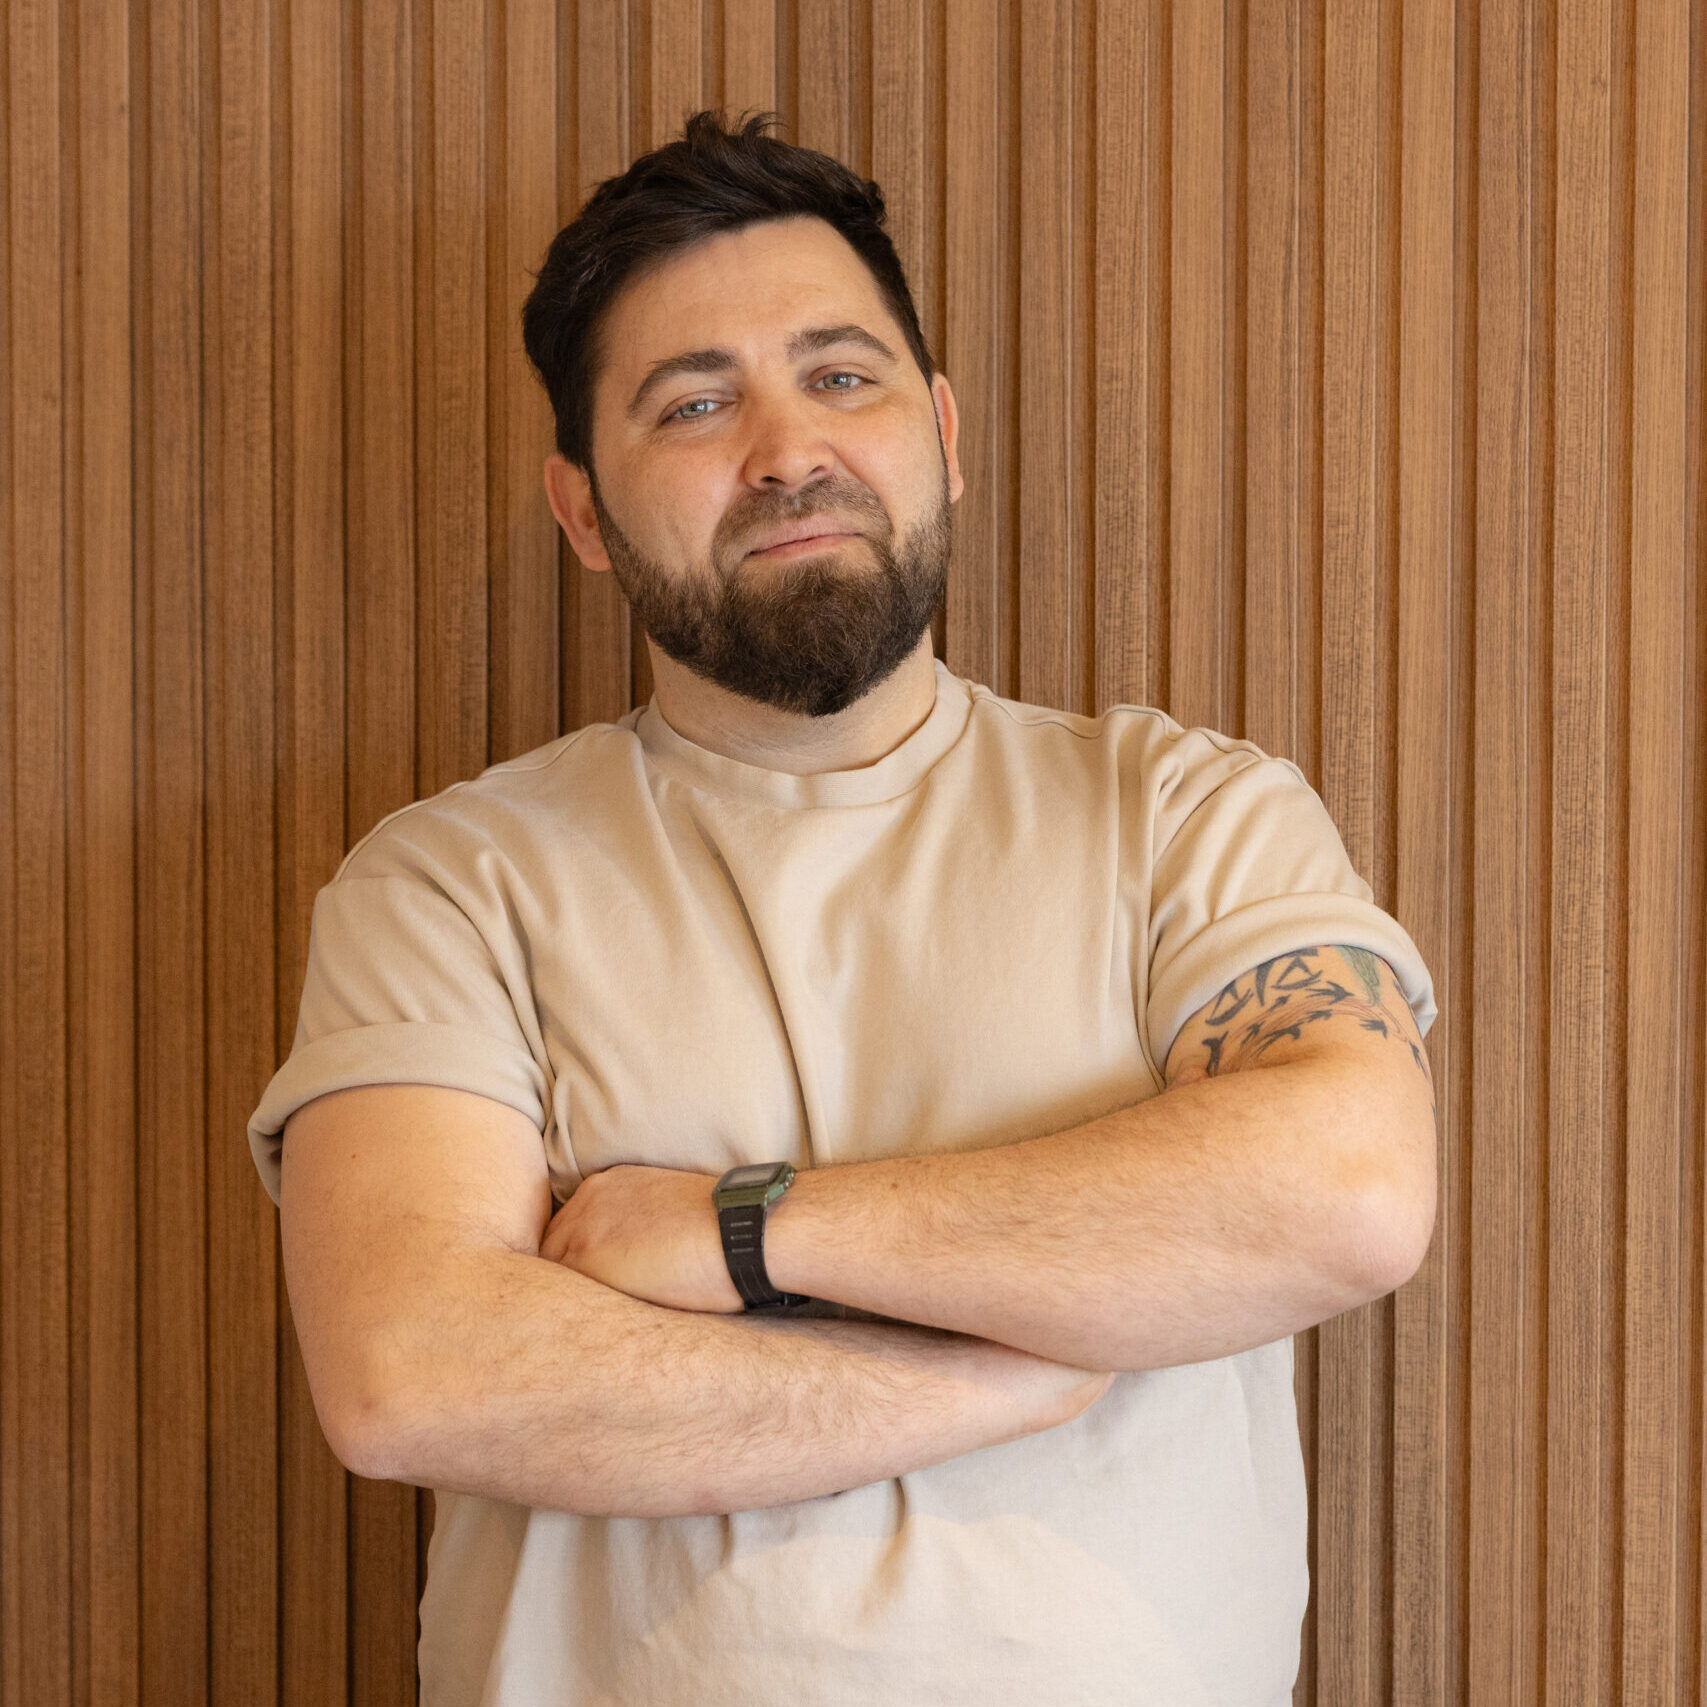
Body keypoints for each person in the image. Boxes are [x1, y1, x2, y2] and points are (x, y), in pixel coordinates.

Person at [248, 108, 1439, 1707]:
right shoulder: (451, 884)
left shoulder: (1184, 813)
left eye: (841, 374)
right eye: (693, 403)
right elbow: (417, 1374)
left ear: (941, 434)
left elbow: (1348, 1191)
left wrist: (737, 1234)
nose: (787, 450)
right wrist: (1014, 1362)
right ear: (585, 512)